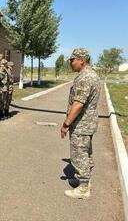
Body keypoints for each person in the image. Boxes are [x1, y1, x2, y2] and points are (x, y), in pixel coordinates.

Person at [60, 48, 100, 199]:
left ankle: (83, 188)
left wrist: (66, 124)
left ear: (81, 60)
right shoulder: (91, 75)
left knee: (79, 155)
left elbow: (78, 104)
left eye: (72, 60)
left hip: (81, 125)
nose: (70, 63)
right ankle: (85, 182)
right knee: (85, 153)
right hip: (87, 124)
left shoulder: (85, 77)